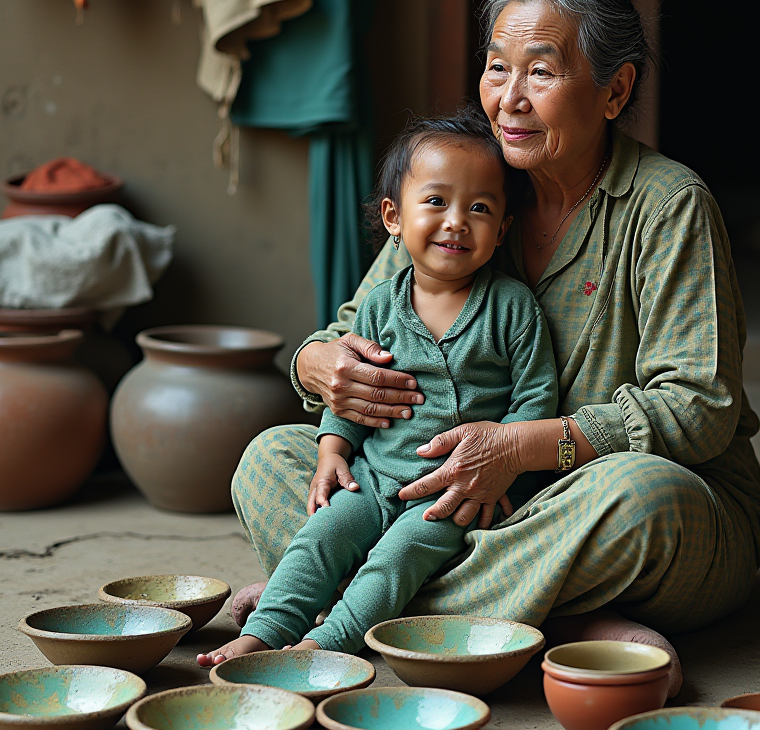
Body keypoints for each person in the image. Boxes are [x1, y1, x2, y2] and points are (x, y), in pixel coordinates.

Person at [230, 0, 760, 694]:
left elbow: (699, 408)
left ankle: (342, 600)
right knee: (272, 457)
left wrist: (520, 448)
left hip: (603, 508)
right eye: (497, 66)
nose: (509, 98)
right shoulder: (470, 183)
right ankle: (545, 623)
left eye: (542, 71)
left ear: (615, 91)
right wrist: (318, 365)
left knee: (642, 495)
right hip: (450, 508)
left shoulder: (667, 206)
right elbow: (351, 326)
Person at [199, 110, 557, 665]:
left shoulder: (512, 308)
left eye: (480, 208)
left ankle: (326, 643)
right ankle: (265, 630)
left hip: (449, 497)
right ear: (394, 217)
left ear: (503, 229)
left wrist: (506, 460)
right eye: (436, 202)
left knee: (396, 558)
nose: (457, 221)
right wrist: (330, 451)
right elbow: (348, 388)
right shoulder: (381, 303)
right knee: (319, 538)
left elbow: (535, 399)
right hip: (370, 475)